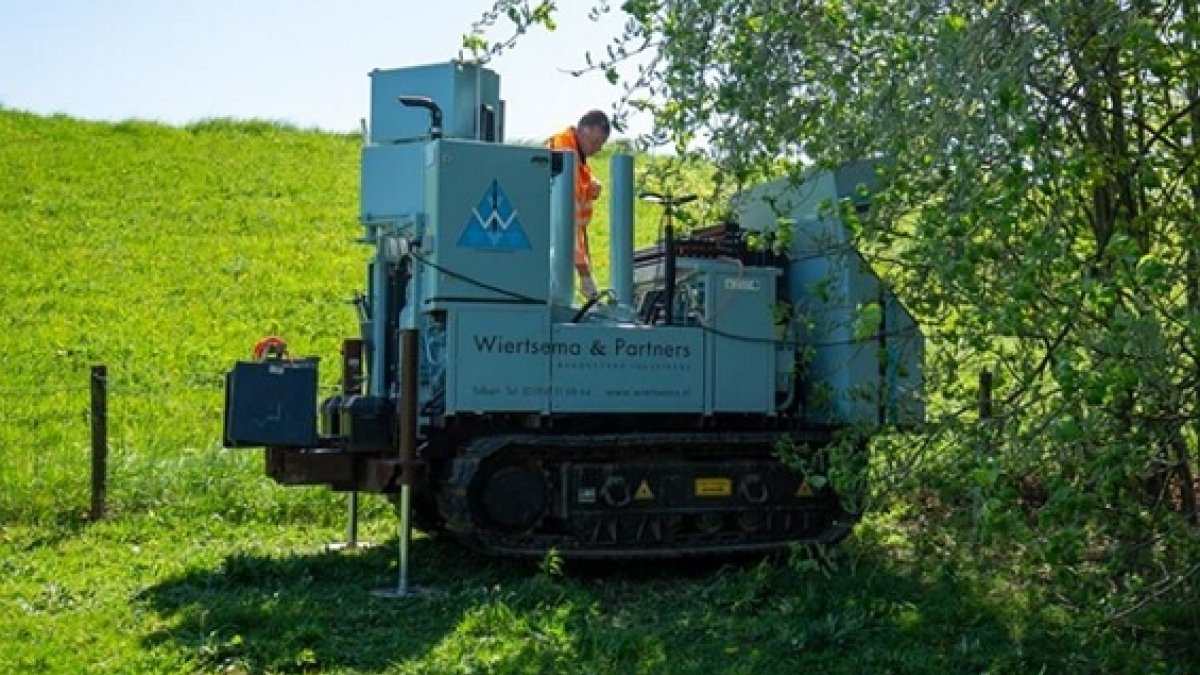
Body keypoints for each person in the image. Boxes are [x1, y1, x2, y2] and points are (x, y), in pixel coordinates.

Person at [548, 110, 610, 300]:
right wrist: (584, 272)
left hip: (556, 242)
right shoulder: (565, 154)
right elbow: (568, 220)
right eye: (595, 142)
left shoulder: (575, 155)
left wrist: (591, 186)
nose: (598, 149)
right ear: (583, 130)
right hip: (549, 241)